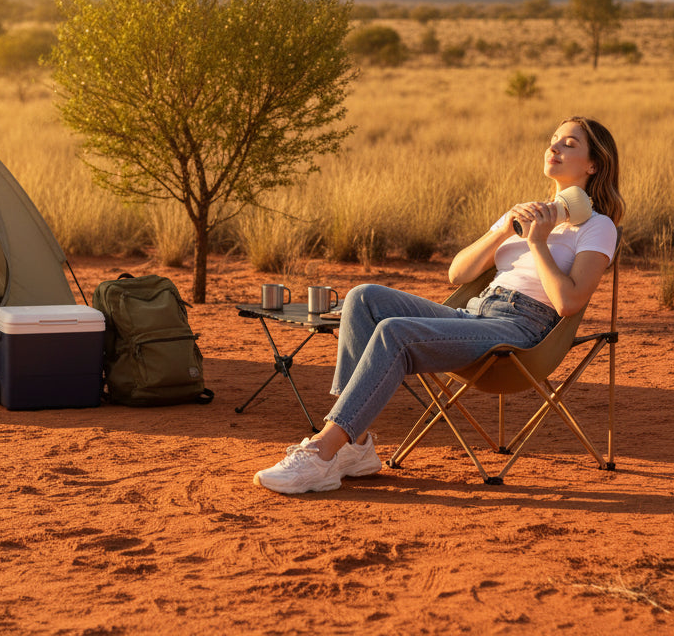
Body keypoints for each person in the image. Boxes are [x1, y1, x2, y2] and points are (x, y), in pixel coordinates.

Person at [253, 115, 623, 494]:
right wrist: (505, 227)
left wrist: (537, 243)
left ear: (593, 165)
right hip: (474, 314)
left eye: (569, 144)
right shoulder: (528, 212)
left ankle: (322, 452)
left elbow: (568, 301)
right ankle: (355, 445)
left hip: (519, 331)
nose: (554, 148)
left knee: (394, 332)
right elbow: (458, 274)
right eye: (553, 140)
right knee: (363, 297)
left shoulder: (598, 227)